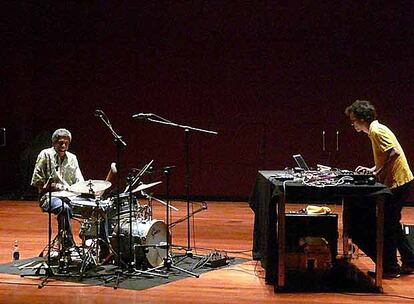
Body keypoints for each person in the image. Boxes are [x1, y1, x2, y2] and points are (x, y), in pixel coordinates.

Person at [345, 100, 414, 278]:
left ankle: (390, 268)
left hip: (398, 182)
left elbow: (394, 153)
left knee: (388, 226)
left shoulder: (376, 130)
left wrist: (378, 172)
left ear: (362, 118)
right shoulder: (375, 130)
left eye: (354, 120)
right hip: (399, 181)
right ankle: (410, 261)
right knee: (392, 225)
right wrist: (373, 169)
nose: (352, 124)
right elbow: (387, 154)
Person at [31, 128, 84, 249]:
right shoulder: (45, 155)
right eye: (60, 142)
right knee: (64, 208)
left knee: (98, 207)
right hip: (49, 197)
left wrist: (88, 189)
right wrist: (51, 186)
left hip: (70, 196)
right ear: (54, 143)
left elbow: (80, 181)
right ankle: (67, 243)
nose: (63, 145)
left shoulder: (73, 158)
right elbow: (37, 181)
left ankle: (102, 248)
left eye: (66, 142)